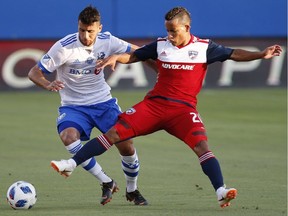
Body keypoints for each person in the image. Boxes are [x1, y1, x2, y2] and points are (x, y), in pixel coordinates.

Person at [50, 6, 283, 208]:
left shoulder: (204, 48)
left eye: (174, 31)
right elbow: (134, 55)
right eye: (168, 31)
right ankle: (71, 163)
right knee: (115, 134)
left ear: (187, 27)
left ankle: (221, 191)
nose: (169, 36)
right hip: (154, 106)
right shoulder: (161, 45)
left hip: (183, 111)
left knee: (202, 146)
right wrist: (115, 59)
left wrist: (261, 54)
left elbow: (234, 54)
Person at [28, 5, 149, 206]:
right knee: (68, 137)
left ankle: (132, 189)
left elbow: (140, 53)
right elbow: (34, 72)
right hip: (73, 106)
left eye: (90, 31)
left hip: (103, 103)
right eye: (82, 30)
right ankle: (106, 181)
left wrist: (118, 57)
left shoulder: (108, 41)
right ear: (78, 26)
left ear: (99, 28)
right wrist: (48, 83)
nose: (85, 35)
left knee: (126, 146)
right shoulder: (64, 47)